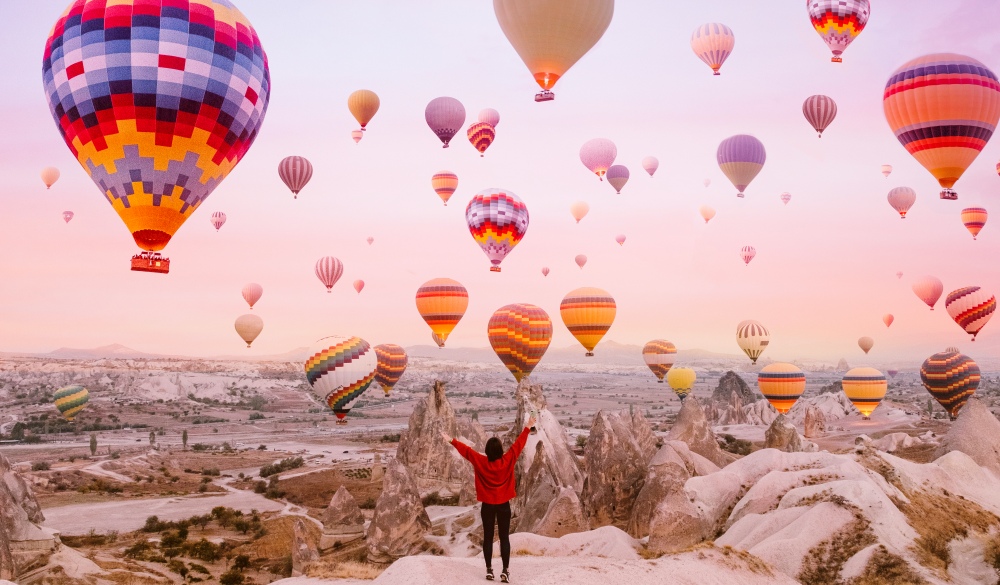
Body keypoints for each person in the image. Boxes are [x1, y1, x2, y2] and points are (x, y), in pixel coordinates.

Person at [441, 413, 536, 582]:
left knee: (488, 537)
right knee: (505, 537)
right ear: (500, 450)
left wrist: (450, 440)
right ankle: (505, 571)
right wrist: (528, 426)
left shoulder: (481, 461)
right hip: (504, 505)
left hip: (487, 506)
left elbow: (467, 451)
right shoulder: (507, 460)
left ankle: (489, 570)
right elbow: (518, 445)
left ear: (487, 451)